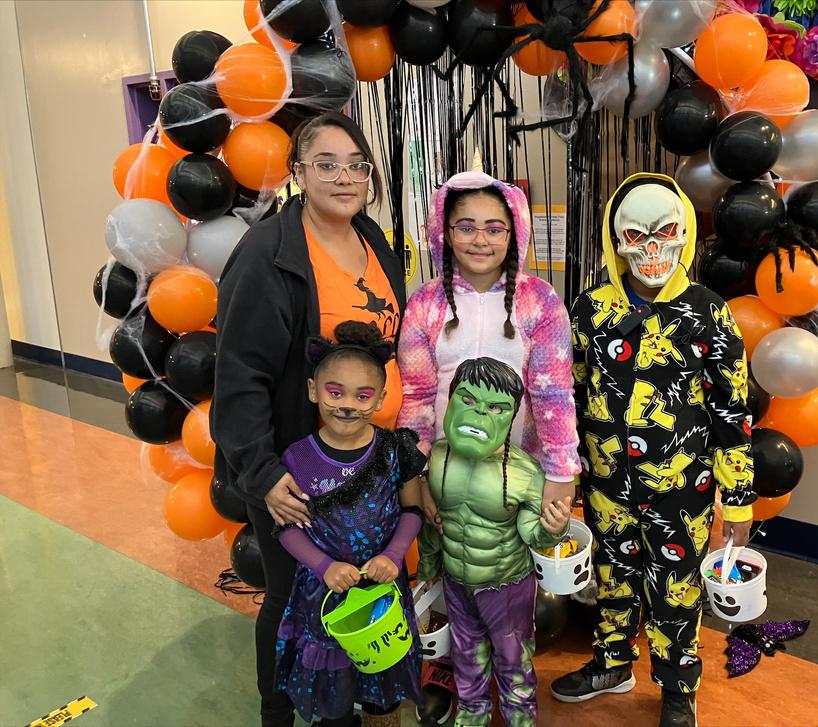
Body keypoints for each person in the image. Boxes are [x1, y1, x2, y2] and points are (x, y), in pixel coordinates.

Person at [211, 111, 407, 727]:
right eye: (326, 164)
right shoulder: (268, 255)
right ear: (298, 172)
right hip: (297, 470)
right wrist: (263, 473)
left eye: (356, 165)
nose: (344, 178)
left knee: (353, 593)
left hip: (367, 462)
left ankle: (343, 705)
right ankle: (278, 712)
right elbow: (239, 377)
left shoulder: (373, 239)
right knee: (293, 594)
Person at [551, 174, 756, 727]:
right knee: (613, 576)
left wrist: (739, 499)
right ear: (615, 240)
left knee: (676, 589)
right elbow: (568, 396)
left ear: (684, 235)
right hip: (607, 482)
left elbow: (732, 412)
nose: (651, 249)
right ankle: (612, 664)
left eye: (665, 232)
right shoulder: (590, 310)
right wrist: (566, 474)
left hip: (682, 488)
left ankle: (677, 686)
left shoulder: (708, 311)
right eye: (636, 235)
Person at [397, 170, 580, 523]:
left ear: (514, 234)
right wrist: (418, 474)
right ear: (445, 233)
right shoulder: (424, 303)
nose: (480, 240)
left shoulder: (540, 301)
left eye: (495, 229)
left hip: (519, 476)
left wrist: (560, 472)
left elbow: (554, 394)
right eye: (466, 228)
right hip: (443, 473)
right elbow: (416, 397)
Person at [274, 321, 425, 727]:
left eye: (363, 395)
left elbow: (413, 510)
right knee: (334, 691)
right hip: (324, 594)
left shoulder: (395, 449)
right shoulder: (298, 458)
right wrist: (324, 566)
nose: (347, 405)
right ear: (313, 390)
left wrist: (393, 555)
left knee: (382, 681)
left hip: (382, 588)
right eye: (335, 392)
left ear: (381, 399)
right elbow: (287, 527)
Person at [418, 357, 572, 727]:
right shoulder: (435, 459)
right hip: (457, 582)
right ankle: (473, 712)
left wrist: (554, 528)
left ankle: (520, 716)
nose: (480, 414)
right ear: (451, 399)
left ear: (512, 417)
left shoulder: (525, 472)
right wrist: (428, 565)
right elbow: (433, 524)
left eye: (496, 408)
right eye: (469, 400)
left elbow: (532, 534)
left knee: (513, 659)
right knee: (466, 653)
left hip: (506, 586)